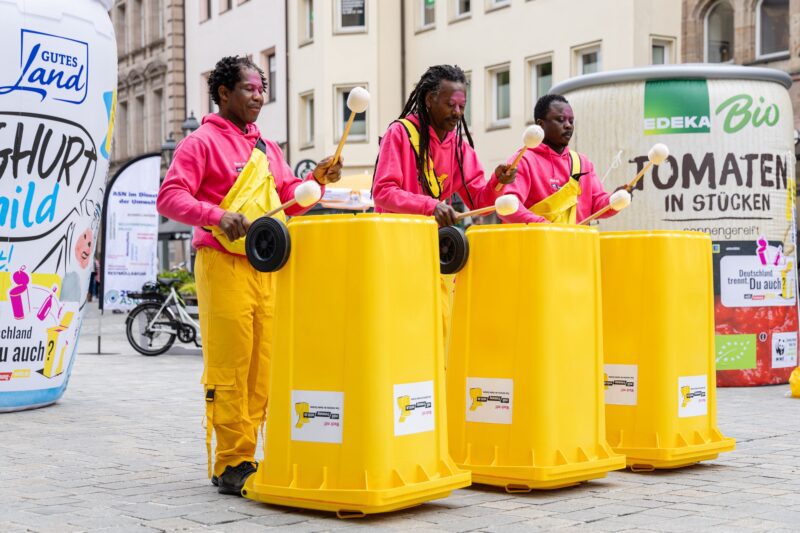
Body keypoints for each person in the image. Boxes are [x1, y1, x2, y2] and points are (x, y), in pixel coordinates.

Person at [156, 56, 342, 496]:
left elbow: (286, 199)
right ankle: (230, 461)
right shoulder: (200, 142)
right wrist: (217, 215)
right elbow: (170, 198)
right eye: (249, 88)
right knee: (231, 364)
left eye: (262, 89)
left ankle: (252, 450)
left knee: (265, 367)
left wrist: (315, 181)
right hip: (222, 263)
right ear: (224, 93)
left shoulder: (267, 147)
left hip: (266, 265)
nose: (259, 95)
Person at [372, 64, 517, 346]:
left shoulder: (459, 146)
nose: (458, 113)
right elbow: (383, 192)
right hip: (395, 252)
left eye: (462, 106)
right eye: (451, 104)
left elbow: (481, 201)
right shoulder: (400, 134)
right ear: (429, 99)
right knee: (401, 334)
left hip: (434, 254)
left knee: (439, 332)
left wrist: (498, 182)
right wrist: (430, 206)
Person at [498, 94, 625, 225]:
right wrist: (545, 226)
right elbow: (509, 208)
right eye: (560, 119)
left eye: (571, 121)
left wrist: (614, 201)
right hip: (536, 244)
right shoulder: (523, 160)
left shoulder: (583, 163)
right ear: (540, 125)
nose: (568, 125)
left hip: (577, 244)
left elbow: (596, 204)